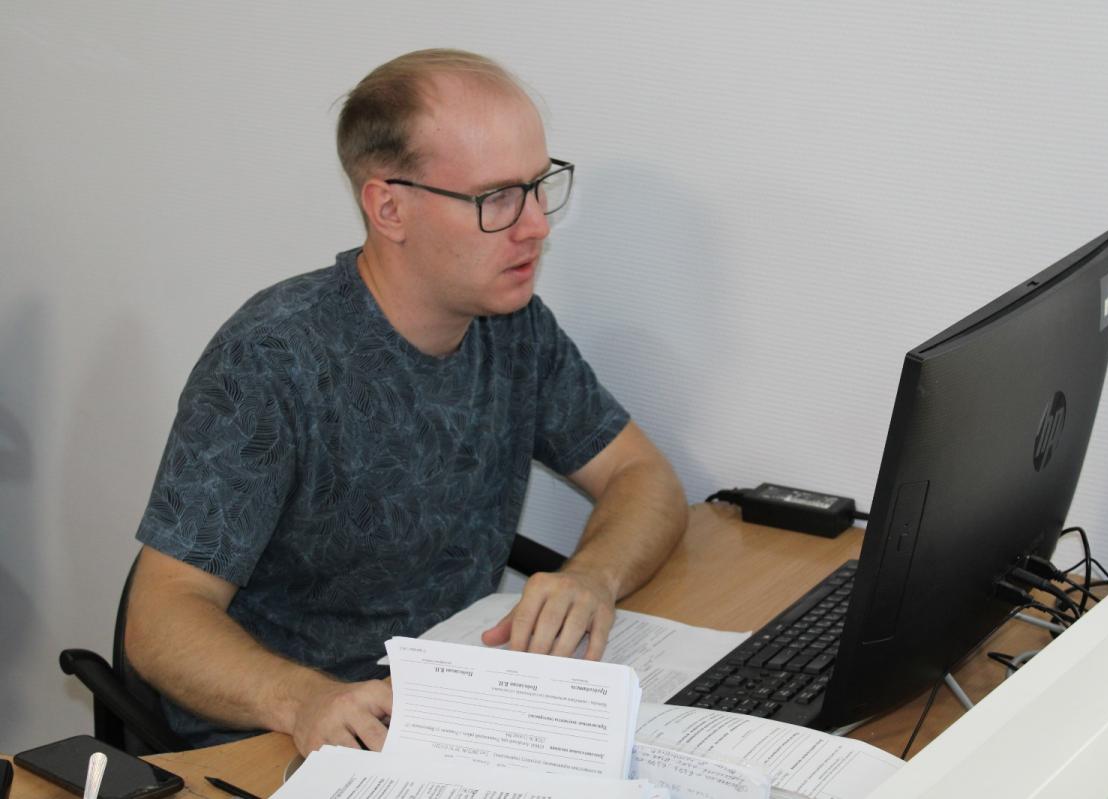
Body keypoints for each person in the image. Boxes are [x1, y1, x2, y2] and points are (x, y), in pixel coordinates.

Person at [124, 49, 687, 756]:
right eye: (496, 198)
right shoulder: (274, 358)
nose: (537, 225)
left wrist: (592, 576)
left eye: (539, 186)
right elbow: (160, 616)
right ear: (389, 207)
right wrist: (302, 699)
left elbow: (643, 476)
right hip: (278, 736)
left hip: (450, 714)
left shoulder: (512, 327)